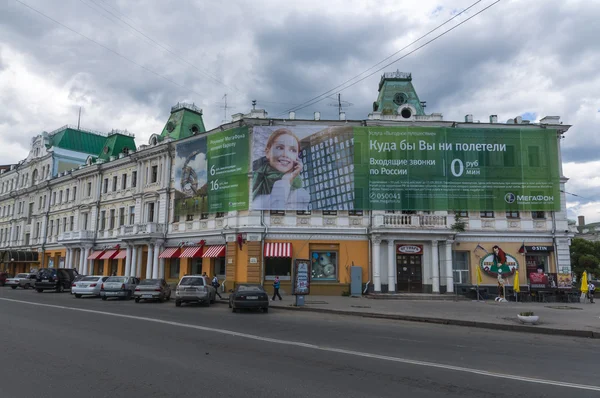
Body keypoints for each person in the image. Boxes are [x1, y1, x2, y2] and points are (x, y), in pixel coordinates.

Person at [252, 128, 310, 211]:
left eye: (292, 150)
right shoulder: (252, 181)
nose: (286, 154)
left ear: (297, 157)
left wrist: (287, 179)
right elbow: (276, 211)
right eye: (279, 148)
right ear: (267, 152)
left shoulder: (300, 194)